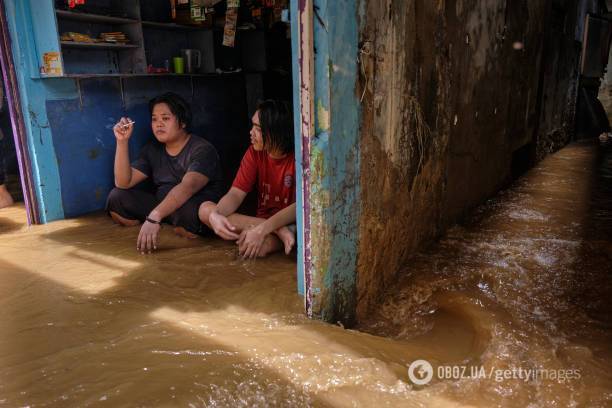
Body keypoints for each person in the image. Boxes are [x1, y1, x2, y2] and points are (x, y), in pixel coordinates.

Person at [106, 92, 224, 254]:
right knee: (117, 197)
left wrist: (154, 216)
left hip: (189, 208)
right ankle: (155, 228)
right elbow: (123, 182)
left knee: (187, 212)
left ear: (182, 122)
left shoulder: (202, 149)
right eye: (154, 119)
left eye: (165, 118)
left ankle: (163, 227)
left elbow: (188, 187)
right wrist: (122, 141)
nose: (158, 124)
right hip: (163, 209)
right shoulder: (152, 149)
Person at [199, 100, 296, 259]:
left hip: (288, 222)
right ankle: (280, 232)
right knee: (205, 210)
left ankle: (279, 232)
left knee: (257, 248)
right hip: (260, 221)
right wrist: (216, 215)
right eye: (252, 126)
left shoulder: (299, 157)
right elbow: (236, 193)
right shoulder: (254, 153)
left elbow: (300, 207)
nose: (251, 132)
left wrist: (262, 230)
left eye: (258, 129)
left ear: (276, 131)